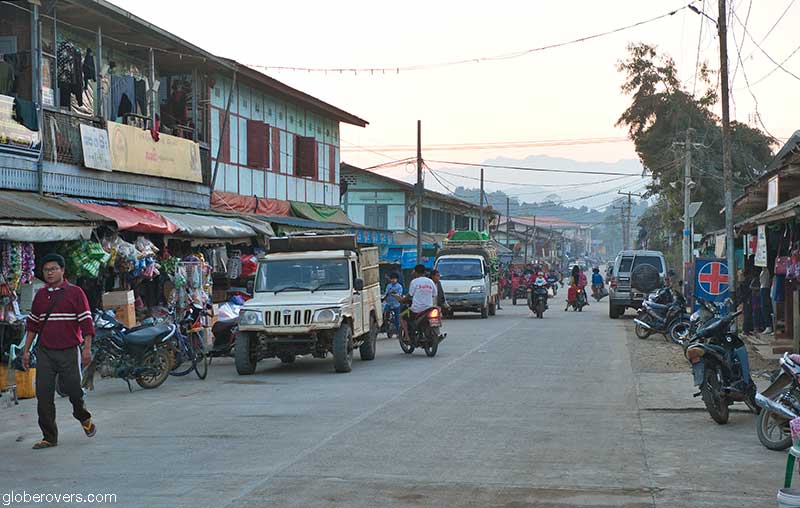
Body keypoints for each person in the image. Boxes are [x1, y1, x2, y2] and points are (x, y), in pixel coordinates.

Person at [21, 254, 96, 450]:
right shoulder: (40, 296)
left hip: (69, 351)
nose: (50, 273)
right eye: (46, 270)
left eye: (54, 269)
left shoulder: (75, 293)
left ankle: (83, 417)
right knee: (43, 394)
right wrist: (26, 351)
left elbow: (86, 323)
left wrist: (87, 349)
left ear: (63, 270)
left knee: (74, 391)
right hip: (45, 351)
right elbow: (33, 325)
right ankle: (49, 436)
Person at [401, 264, 437, 341]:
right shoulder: (430, 281)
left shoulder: (414, 282)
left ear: (416, 272)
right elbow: (434, 294)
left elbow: (410, 295)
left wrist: (403, 299)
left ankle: (407, 336)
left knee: (402, 316)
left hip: (416, 310)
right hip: (429, 308)